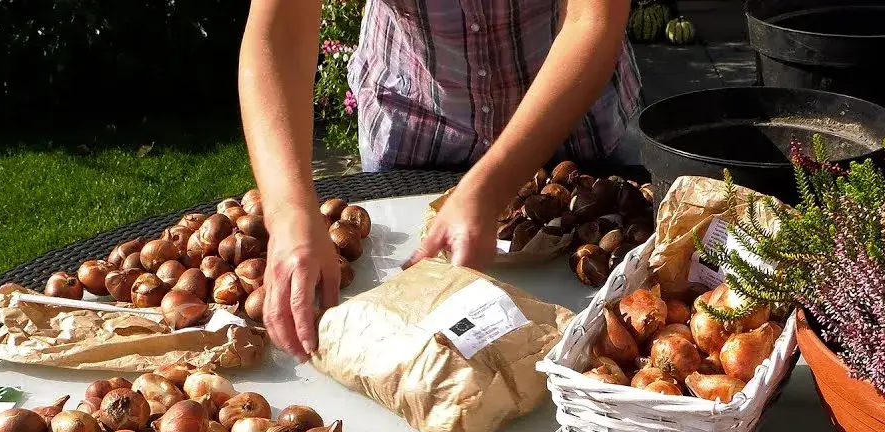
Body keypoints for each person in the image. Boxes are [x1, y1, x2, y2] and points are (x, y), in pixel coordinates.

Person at [238, 0, 642, 360]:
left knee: (597, 335)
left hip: (569, 127)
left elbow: (593, 20)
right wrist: (288, 210)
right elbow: (281, 32)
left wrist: (489, 189)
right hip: (415, 128)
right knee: (413, 347)